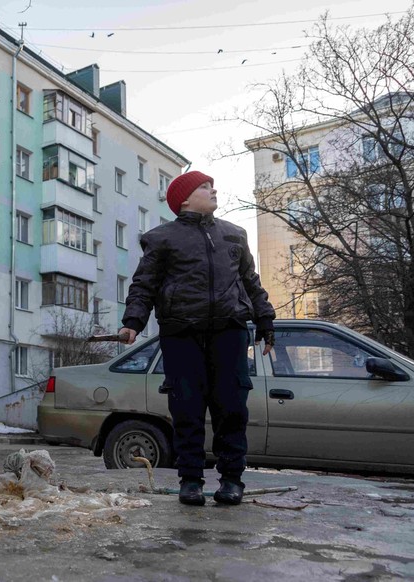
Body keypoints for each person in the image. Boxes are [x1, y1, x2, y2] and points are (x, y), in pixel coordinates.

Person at [118, 170, 276, 506]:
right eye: (205, 186)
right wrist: (133, 321)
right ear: (185, 198)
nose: (213, 189)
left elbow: (251, 281)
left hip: (229, 330)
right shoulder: (162, 238)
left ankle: (232, 480)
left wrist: (265, 320)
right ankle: (190, 480)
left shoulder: (234, 234)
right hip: (182, 332)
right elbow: (144, 284)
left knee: (232, 408)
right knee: (187, 408)